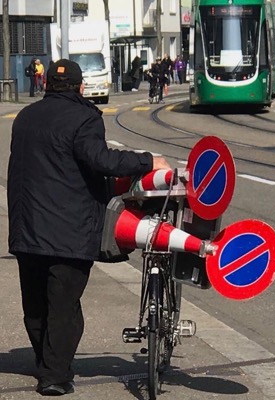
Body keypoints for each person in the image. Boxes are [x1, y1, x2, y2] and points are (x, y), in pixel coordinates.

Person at [7, 59, 171, 396]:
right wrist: (147, 161)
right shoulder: (84, 117)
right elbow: (101, 160)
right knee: (64, 306)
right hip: (68, 231)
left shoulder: (25, 118)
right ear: (81, 87)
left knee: (36, 305)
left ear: (46, 85)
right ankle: (53, 375)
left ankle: (47, 363)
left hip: (27, 230)